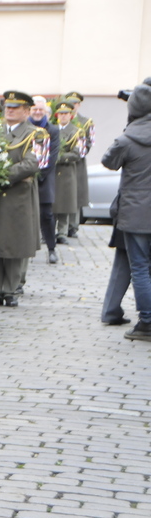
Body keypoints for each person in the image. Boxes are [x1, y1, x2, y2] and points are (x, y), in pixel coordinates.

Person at [101, 77, 151, 341]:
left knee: (140, 268)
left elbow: (108, 161)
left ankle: (146, 322)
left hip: (135, 213)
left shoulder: (128, 138)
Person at [0, 91, 43, 307]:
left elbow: (33, 163)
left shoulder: (36, 134)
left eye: (15, 107)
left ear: (27, 111)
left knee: (15, 245)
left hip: (18, 196)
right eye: (8, 106)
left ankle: (11, 289)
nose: (9, 110)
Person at [29, 95, 61, 263]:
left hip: (44, 178)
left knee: (47, 215)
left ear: (46, 112)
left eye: (41, 109)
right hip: (23, 178)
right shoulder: (25, 127)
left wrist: (38, 176)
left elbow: (52, 156)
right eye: (34, 109)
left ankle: (51, 248)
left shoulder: (53, 130)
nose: (38, 112)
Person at [53, 102, 83, 245]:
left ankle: (62, 232)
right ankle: (49, 231)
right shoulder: (52, 130)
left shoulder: (76, 132)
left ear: (70, 115)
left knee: (64, 202)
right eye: (61, 114)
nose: (63, 116)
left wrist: (60, 157)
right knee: (52, 202)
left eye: (66, 114)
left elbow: (78, 153)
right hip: (52, 172)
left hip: (66, 171)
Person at [63, 91, 92, 237]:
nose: (73, 106)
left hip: (78, 162)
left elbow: (89, 143)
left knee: (77, 193)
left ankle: (73, 226)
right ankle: (61, 226)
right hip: (61, 164)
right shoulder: (60, 120)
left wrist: (77, 152)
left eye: (75, 103)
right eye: (70, 103)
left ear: (79, 105)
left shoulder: (86, 122)